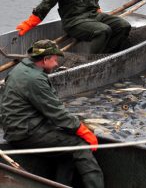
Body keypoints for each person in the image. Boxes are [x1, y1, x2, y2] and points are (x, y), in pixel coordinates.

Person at [1, 39, 104, 188]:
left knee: (66, 154)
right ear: (45, 59)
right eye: (55, 60)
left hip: (18, 127)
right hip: (25, 132)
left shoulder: (20, 69)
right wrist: (83, 131)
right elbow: (56, 112)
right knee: (80, 146)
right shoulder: (34, 79)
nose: (56, 64)